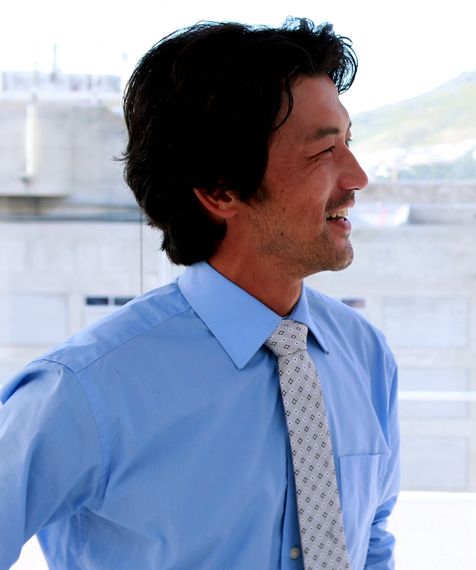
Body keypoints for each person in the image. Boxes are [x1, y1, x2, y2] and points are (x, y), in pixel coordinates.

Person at [0, 18, 399, 569]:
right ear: (220, 188)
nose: (357, 178)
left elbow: (372, 536)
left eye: (348, 143)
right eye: (323, 152)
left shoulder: (366, 355)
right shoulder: (82, 391)